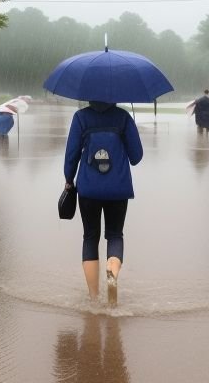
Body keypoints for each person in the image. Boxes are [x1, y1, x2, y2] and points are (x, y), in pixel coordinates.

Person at [63, 101, 143, 306]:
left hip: (88, 189)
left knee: (90, 236)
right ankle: (112, 270)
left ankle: (93, 298)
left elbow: (71, 155)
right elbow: (136, 157)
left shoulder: (81, 118)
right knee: (115, 234)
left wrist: (69, 179)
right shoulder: (123, 118)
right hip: (118, 188)